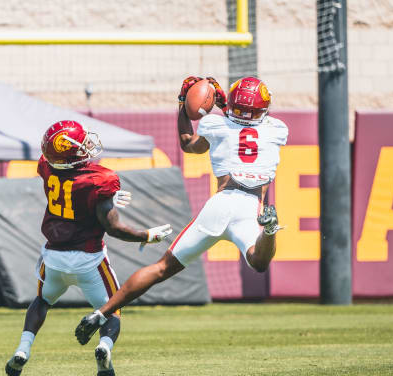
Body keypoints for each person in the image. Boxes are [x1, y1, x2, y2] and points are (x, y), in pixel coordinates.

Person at [75, 76, 287, 345]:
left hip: (220, 205)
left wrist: (183, 104)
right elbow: (247, 124)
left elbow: (188, 142)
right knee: (259, 261)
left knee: (161, 267)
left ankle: (100, 313)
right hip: (250, 206)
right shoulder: (278, 129)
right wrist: (226, 106)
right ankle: (269, 230)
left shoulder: (214, 124)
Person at [5, 120, 172, 376]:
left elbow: (72, 187)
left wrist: (102, 199)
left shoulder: (46, 166)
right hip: (89, 260)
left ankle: (23, 348)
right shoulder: (100, 179)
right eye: (81, 143)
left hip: (54, 257)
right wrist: (147, 235)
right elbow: (113, 227)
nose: (87, 145)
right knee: (111, 309)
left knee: (42, 301)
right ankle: (104, 347)